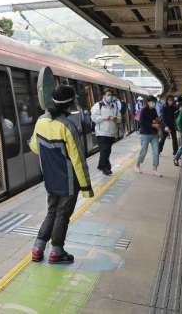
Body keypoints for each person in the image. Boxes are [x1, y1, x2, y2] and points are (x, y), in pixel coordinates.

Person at [30, 85, 93, 263]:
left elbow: (34, 147)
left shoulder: (41, 121)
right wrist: (86, 187)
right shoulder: (68, 126)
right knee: (62, 215)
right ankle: (57, 252)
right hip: (68, 180)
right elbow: (78, 160)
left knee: (51, 212)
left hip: (50, 178)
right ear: (71, 102)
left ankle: (37, 249)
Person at [91, 88, 121, 175]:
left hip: (112, 132)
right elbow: (93, 118)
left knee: (107, 150)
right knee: (104, 150)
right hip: (102, 132)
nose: (110, 97)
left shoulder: (114, 106)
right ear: (103, 96)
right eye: (108, 95)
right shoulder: (98, 106)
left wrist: (116, 119)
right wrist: (104, 118)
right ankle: (106, 168)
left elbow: (120, 118)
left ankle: (100, 165)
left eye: (111, 95)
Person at [134, 96, 163, 176]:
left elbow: (155, 118)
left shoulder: (153, 110)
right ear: (148, 102)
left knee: (156, 152)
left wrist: (157, 120)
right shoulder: (143, 110)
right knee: (143, 151)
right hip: (145, 133)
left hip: (154, 133)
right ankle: (137, 165)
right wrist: (153, 124)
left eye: (155, 102)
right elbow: (142, 122)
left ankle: (154, 169)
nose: (154, 103)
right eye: (153, 102)